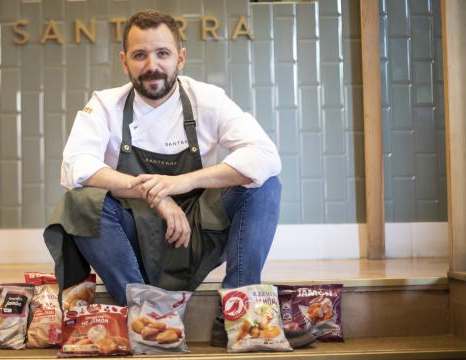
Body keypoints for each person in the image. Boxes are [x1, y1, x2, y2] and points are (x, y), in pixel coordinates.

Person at [44, 9, 312, 348]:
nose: (152, 65)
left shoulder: (207, 100)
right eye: (140, 55)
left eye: (163, 53)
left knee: (263, 183)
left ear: (180, 58)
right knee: (79, 201)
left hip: (197, 232)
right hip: (132, 240)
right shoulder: (105, 105)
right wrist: (156, 196)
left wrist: (181, 182)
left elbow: (265, 155)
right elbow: (75, 166)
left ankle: (237, 315)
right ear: (124, 62)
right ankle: (146, 317)